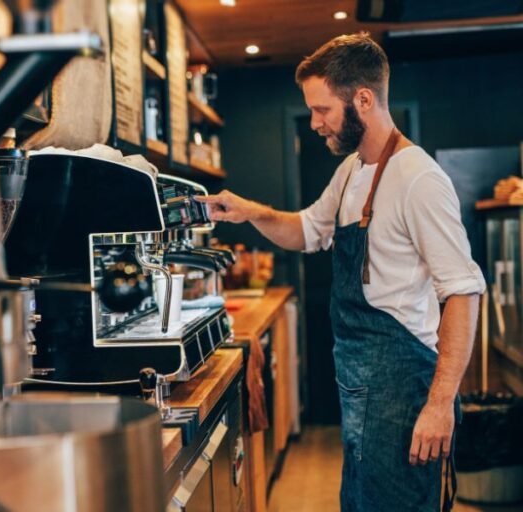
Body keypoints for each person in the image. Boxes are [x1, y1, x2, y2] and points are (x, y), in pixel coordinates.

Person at [196, 33, 485, 511]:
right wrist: (248, 212)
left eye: (322, 110)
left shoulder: (418, 178)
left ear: (363, 100)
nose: (314, 123)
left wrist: (439, 406)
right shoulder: (351, 171)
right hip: (361, 390)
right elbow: (307, 230)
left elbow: (463, 292)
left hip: (403, 394)